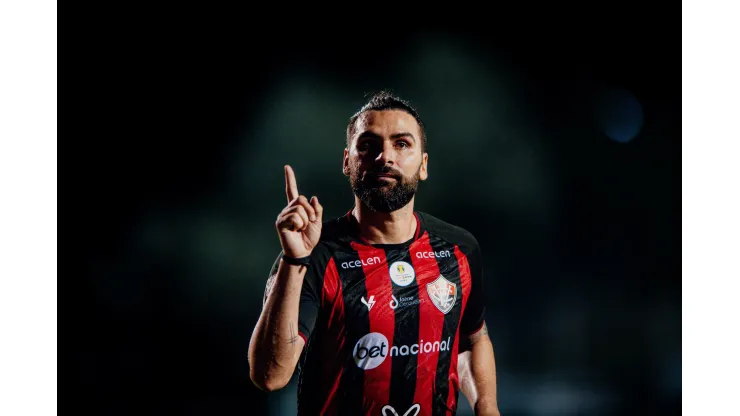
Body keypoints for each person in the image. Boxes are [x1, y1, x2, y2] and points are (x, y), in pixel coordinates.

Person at [248, 91, 500, 415]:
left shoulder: (459, 249)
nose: (385, 156)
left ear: (423, 165)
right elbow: (270, 376)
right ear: (347, 162)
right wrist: (294, 260)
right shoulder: (313, 257)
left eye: (402, 143)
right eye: (368, 145)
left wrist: (487, 406)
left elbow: (473, 338)